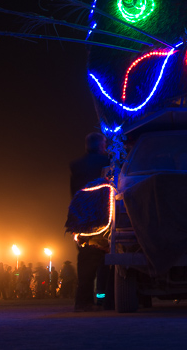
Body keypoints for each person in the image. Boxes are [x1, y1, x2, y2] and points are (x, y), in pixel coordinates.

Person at [69, 132, 112, 312]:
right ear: (101, 145)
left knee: (86, 263)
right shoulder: (107, 163)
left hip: (82, 220)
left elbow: (74, 193)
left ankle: (83, 301)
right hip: (104, 217)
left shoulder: (76, 166)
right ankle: (105, 299)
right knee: (106, 262)